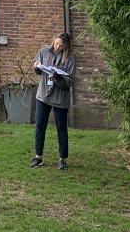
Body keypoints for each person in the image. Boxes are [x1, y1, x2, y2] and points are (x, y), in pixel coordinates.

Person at [30, 32, 75, 170]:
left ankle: (62, 159)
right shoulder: (44, 51)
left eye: (61, 46)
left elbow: (68, 83)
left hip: (60, 99)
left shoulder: (69, 59)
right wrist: (36, 66)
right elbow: (37, 69)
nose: (57, 47)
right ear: (54, 41)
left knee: (61, 129)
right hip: (43, 96)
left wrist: (58, 77)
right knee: (40, 126)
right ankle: (38, 157)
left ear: (66, 46)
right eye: (56, 43)